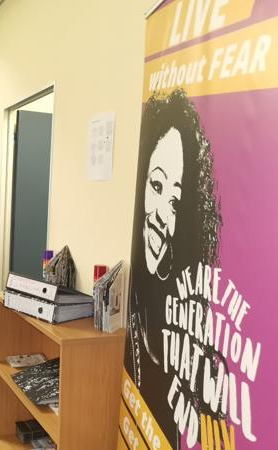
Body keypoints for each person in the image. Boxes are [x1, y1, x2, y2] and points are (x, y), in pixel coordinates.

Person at [125, 88, 222, 447]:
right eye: (156, 185)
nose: (163, 215)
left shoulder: (185, 321)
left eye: (176, 202)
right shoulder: (132, 308)